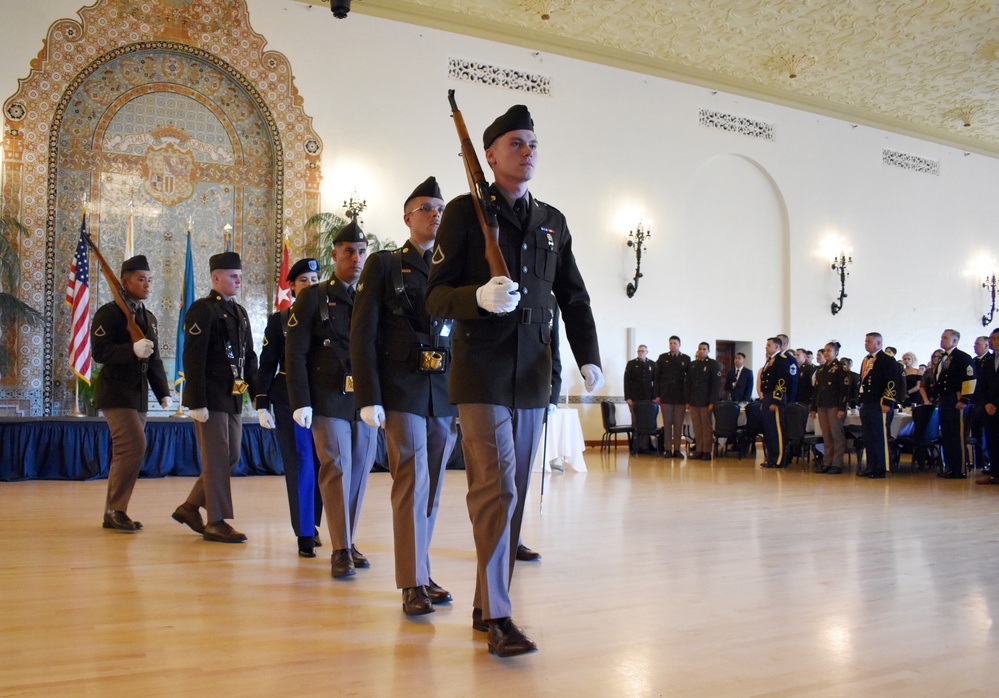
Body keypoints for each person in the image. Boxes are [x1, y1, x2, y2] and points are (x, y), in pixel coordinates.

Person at [425, 104, 603, 657]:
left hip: (531, 375)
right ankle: (501, 616)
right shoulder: (463, 212)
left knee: (515, 492)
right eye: (517, 144)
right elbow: (435, 297)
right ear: (491, 154)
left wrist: (589, 356)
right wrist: (475, 300)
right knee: (495, 487)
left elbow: (573, 296)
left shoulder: (552, 221)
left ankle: (485, 602)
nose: (528, 152)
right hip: (479, 372)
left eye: (533, 144)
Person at [351, 176, 458, 616]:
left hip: (443, 392)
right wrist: (368, 395)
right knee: (411, 483)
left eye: (440, 207)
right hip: (401, 390)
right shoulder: (385, 264)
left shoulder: (454, 268)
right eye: (427, 207)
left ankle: (422, 569)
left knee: (430, 489)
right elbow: (363, 333)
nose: (435, 214)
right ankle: (411, 582)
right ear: (407, 217)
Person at [285, 221, 378, 578]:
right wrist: (300, 401)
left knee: (360, 471)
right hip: (326, 397)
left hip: (365, 399)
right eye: (349, 251)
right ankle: (340, 549)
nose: (356, 258)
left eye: (361, 252)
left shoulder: (373, 296)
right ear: (335, 254)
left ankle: (349, 539)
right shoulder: (313, 296)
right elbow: (295, 353)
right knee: (337, 467)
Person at [172, 252, 258, 543]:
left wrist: (257, 394)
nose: (237, 281)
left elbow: (249, 357)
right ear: (216, 278)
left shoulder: (240, 312)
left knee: (230, 455)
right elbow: (192, 357)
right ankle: (216, 521)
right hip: (209, 398)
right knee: (218, 457)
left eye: (240, 277)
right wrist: (195, 401)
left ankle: (189, 507)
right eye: (233, 276)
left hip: (233, 396)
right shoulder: (203, 309)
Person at [91, 255, 172, 531]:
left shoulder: (148, 317)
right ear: (124, 282)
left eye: (150, 279)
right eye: (141, 279)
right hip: (115, 392)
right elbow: (99, 352)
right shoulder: (109, 313)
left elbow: (155, 359)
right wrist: (130, 351)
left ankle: (113, 512)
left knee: (127, 452)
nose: (147, 284)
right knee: (134, 447)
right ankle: (116, 509)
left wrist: (163, 391)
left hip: (138, 395)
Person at [254, 257, 323, 558]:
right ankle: (304, 533)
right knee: (302, 465)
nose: (310, 285)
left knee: (323, 466)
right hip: (290, 401)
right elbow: (267, 364)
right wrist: (261, 401)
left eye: (315, 280)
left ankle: (314, 524)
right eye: (303, 280)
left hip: (327, 401)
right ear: (292, 287)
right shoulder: (280, 321)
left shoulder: (331, 317)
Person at [936, 329, 976, 479]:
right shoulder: (943, 358)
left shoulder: (962, 357)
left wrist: (964, 399)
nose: (942, 340)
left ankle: (959, 469)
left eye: (945, 338)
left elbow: (970, 379)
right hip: (945, 400)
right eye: (942, 337)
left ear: (954, 341)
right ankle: (950, 467)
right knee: (947, 434)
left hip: (956, 399)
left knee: (957, 435)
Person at [857, 332, 896, 479]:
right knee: (868, 436)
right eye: (865, 341)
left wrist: (887, 401)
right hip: (867, 403)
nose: (865, 344)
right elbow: (863, 382)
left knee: (879, 436)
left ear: (878, 343)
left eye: (868, 341)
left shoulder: (887, 360)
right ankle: (871, 466)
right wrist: (861, 398)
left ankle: (880, 467)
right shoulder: (867, 360)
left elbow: (891, 382)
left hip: (879, 404)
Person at [810, 341, 849, 474]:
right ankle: (827, 462)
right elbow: (816, 390)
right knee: (826, 435)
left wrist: (842, 408)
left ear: (836, 352)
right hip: (822, 405)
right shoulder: (821, 369)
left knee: (836, 434)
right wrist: (813, 408)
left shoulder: (840, 368)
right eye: (825, 350)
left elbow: (844, 390)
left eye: (829, 350)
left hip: (834, 405)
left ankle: (837, 464)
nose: (826, 353)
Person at [759, 337, 795, 468]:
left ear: (776, 347)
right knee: (769, 429)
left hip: (776, 398)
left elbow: (782, 382)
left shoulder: (781, 360)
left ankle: (779, 459)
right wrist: (765, 400)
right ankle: (772, 457)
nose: (766, 347)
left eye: (768, 345)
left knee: (777, 430)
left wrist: (776, 400)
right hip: (768, 397)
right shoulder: (770, 360)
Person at [654, 336, 690, 458]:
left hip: (680, 397)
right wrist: (657, 395)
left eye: (675, 343)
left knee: (678, 424)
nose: (672, 345)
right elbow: (657, 378)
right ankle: (668, 449)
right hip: (666, 396)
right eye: (670, 343)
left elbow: (688, 379)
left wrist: (687, 398)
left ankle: (677, 449)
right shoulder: (663, 358)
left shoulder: (686, 359)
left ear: (679, 344)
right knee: (667, 424)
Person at [686, 341, 722, 460]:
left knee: (706, 427)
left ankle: (706, 451)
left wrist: (712, 402)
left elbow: (715, 385)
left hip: (706, 401)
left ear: (708, 351)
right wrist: (688, 401)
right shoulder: (692, 365)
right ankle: (699, 450)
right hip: (694, 401)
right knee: (696, 426)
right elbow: (689, 384)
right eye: (700, 349)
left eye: (704, 349)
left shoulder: (713, 364)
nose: (702, 351)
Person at [975, 328, 999, 484]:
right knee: (992, 440)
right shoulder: (988, 360)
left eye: (996, 338)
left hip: (997, 405)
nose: (993, 341)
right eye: (992, 338)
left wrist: (996, 404)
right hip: (989, 407)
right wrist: (986, 403)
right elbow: (981, 385)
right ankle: (995, 473)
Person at [624, 344, 655, 451]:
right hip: (635, 398)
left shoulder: (652, 364)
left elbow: (655, 382)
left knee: (647, 421)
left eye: (643, 351)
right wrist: (628, 397)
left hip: (648, 398)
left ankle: (646, 445)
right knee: (636, 420)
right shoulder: (632, 364)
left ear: (647, 352)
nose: (640, 353)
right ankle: (636, 445)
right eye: (639, 351)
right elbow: (627, 381)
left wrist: (655, 397)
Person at [970, 335, 991, 471]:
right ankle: (978, 461)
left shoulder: (989, 360)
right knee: (976, 433)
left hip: (985, 403)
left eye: (978, 344)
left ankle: (986, 461)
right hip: (974, 402)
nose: (975, 346)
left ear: (986, 346)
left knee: (985, 434)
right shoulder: (973, 361)